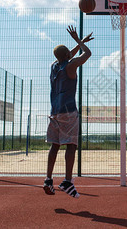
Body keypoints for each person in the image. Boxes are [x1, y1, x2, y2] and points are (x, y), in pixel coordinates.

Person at [43, 25, 93, 198]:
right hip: (68, 111)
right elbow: (88, 54)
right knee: (71, 145)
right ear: (67, 56)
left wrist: (80, 42)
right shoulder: (71, 67)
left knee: (55, 145)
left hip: (54, 112)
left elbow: (66, 55)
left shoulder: (54, 66)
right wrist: (79, 40)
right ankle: (67, 181)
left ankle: (48, 179)